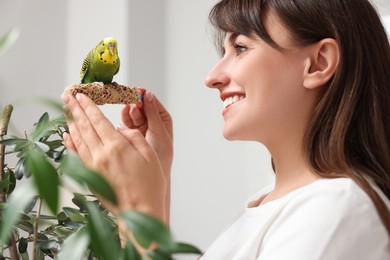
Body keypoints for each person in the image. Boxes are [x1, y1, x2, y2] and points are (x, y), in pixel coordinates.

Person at [61, 0, 390, 258]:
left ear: (318, 63)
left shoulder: (336, 209)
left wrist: (139, 210)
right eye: (224, 51)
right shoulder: (264, 206)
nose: (212, 77)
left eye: (241, 47)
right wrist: (151, 199)